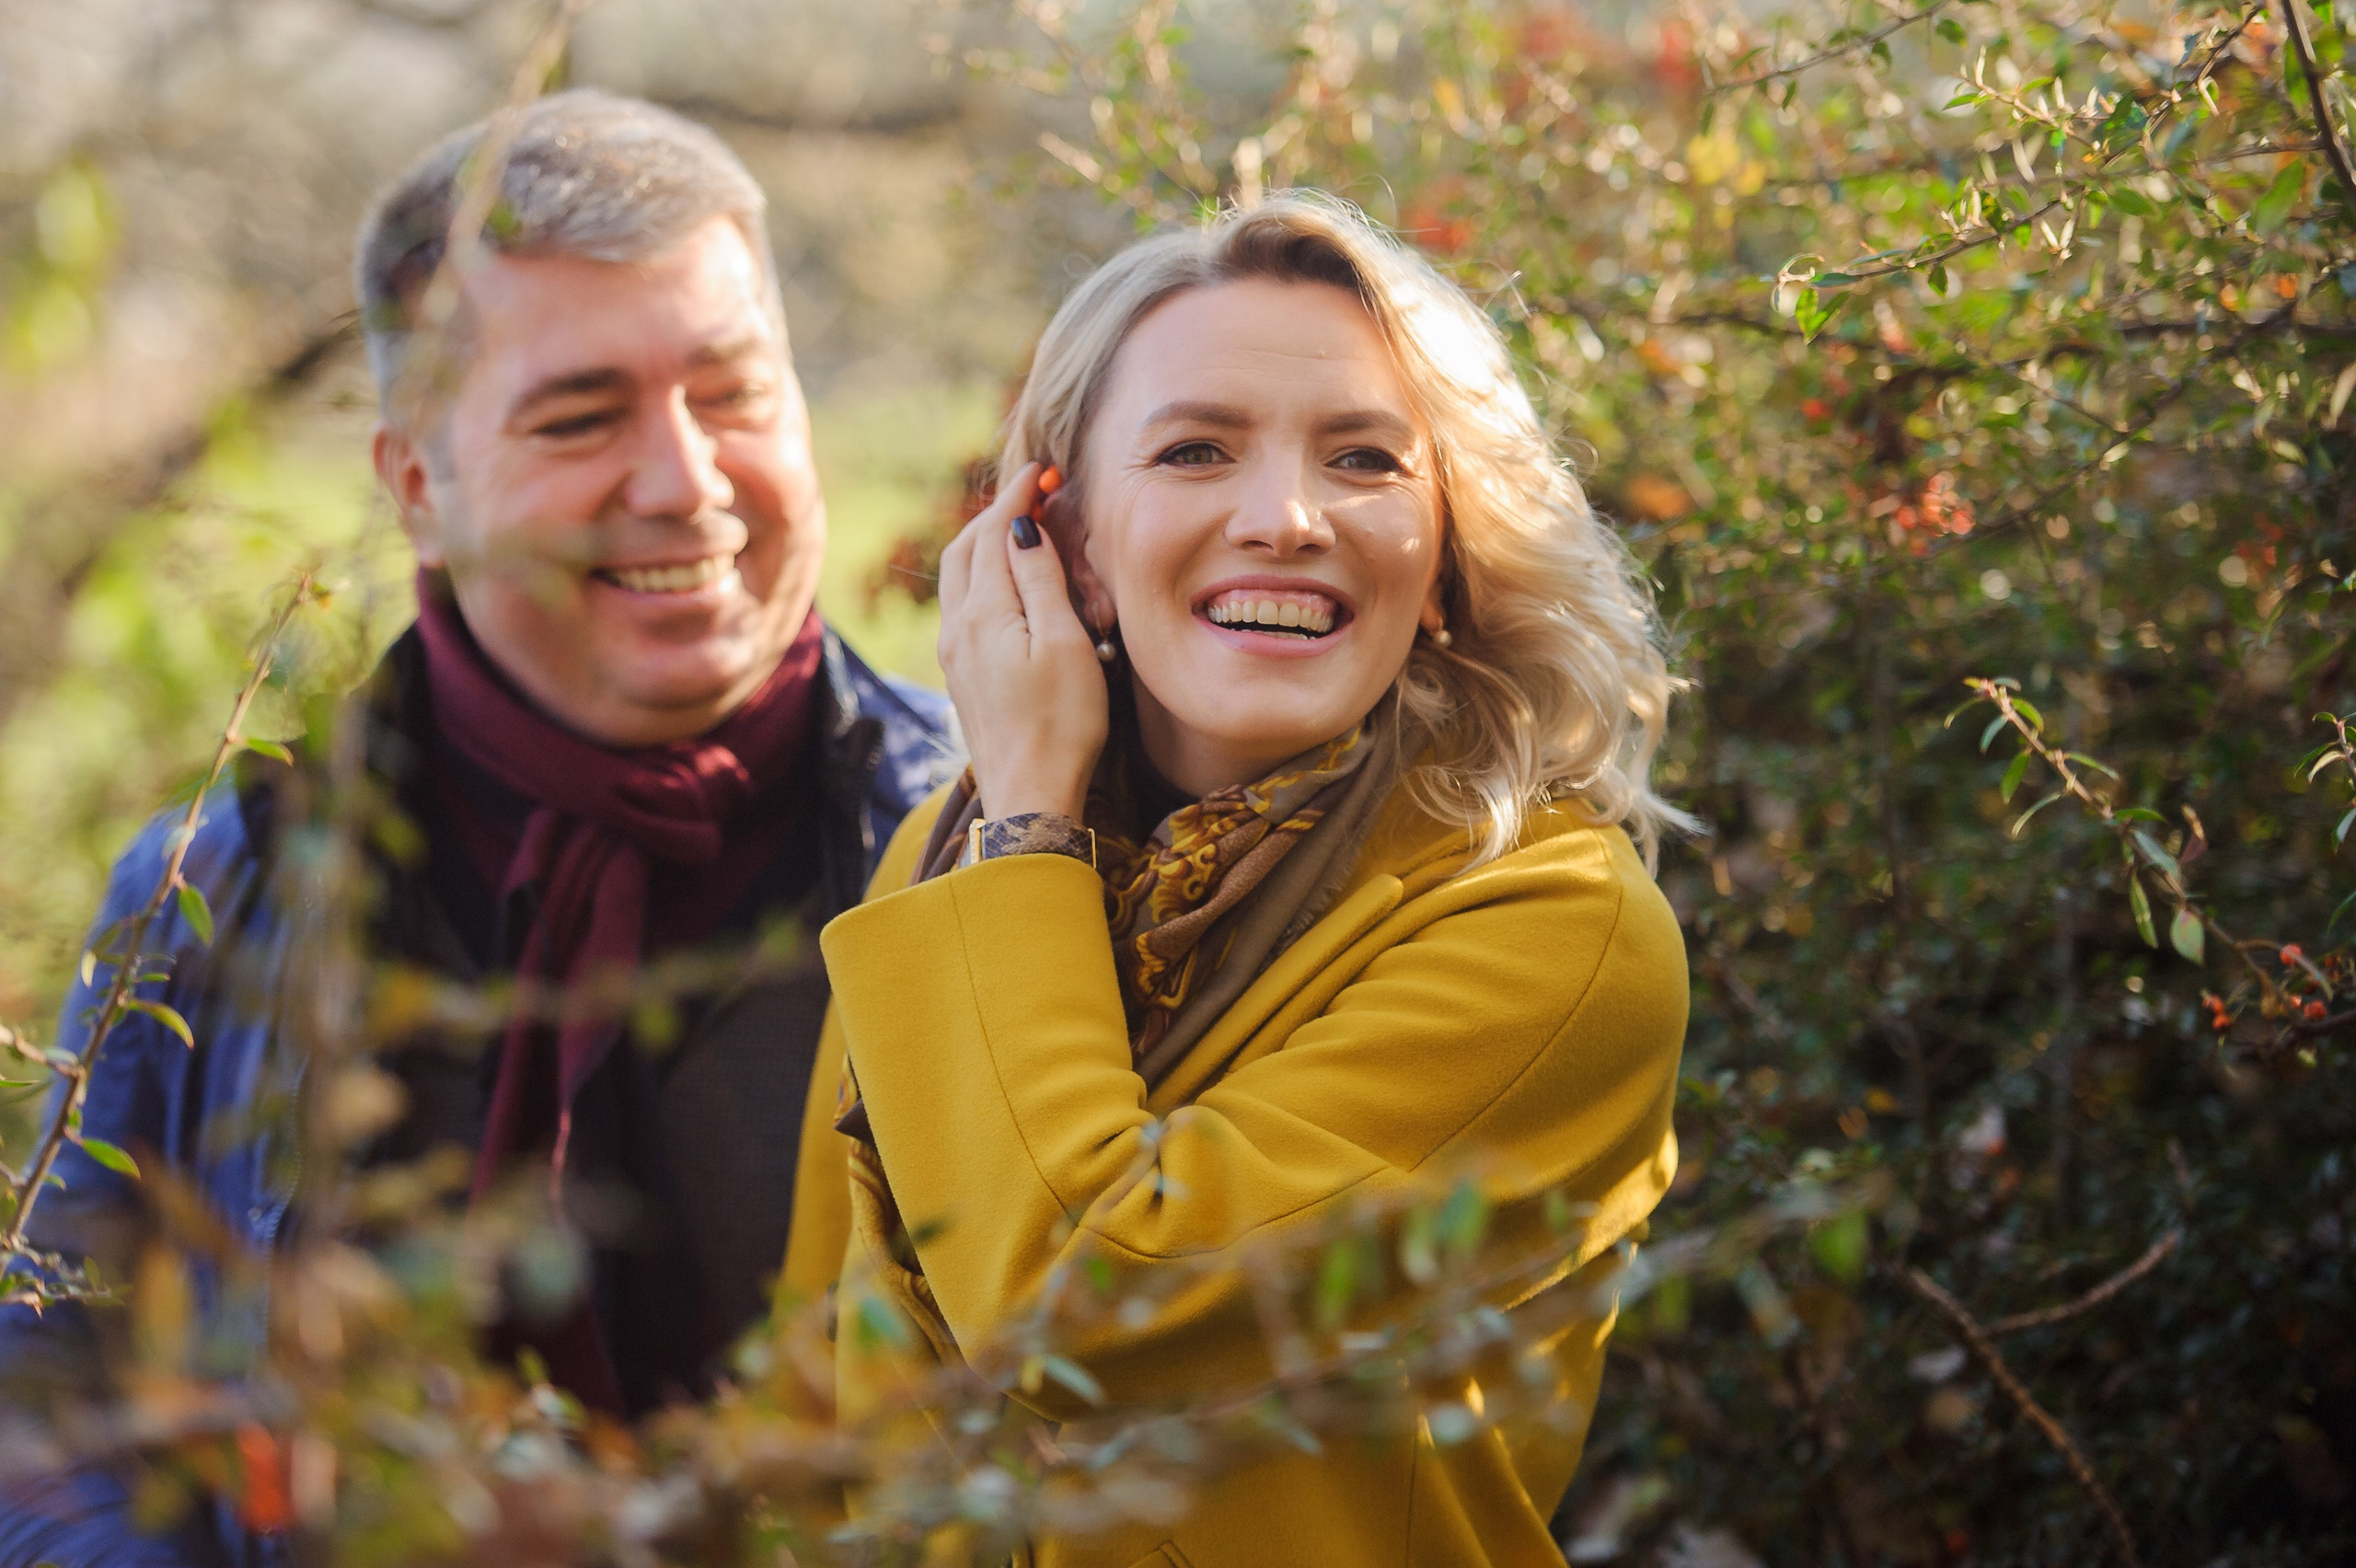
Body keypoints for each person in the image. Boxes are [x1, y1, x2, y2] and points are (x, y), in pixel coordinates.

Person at [0, 90, 954, 1566]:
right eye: (582, 416)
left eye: (736, 393)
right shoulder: (216, 889)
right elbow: (58, 1415)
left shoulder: (984, 854)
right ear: (416, 490)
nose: (685, 482)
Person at [780, 192, 1692, 1567]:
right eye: (1196, 450)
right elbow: (817, 1367)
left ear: (1446, 559)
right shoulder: (944, 858)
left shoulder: (1557, 928)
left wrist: (1032, 822)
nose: (1283, 518)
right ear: (1064, 541)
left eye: (1367, 461)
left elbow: (1091, 1309)